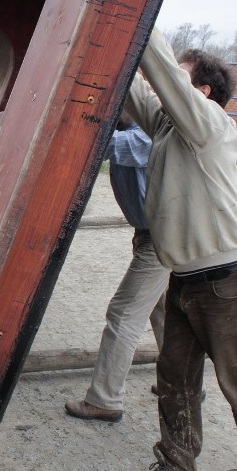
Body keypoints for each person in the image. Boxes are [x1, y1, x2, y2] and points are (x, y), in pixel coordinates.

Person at [121, 29, 237, 471]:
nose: (165, 89)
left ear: (202, 93)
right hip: (186, 278)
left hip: (227, 282)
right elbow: (139, 88)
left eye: (177, 81)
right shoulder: (167, 126)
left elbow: (160, 76)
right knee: (174, 378)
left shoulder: (210, 124)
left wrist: (143, 20)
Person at [65, 114, 168, 422]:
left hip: (162, 240)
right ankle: (180, 382)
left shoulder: (145, 136)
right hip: (152, 235)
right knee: (164, 311)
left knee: (123, 315)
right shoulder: (130, 130)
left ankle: (105, 399)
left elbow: (97, 143)